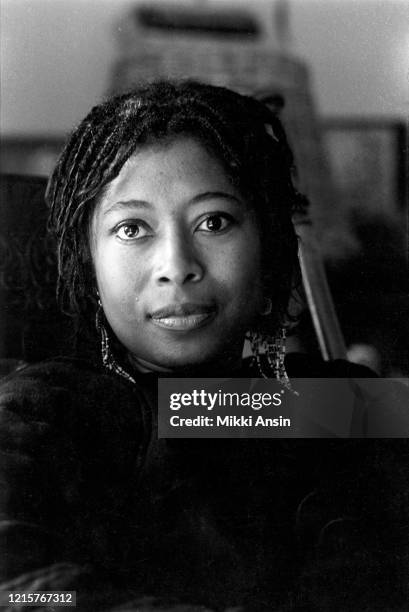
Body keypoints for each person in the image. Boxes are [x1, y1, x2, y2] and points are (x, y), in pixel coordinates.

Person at [0, 81, 408, 611]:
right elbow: (22, 592)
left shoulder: (336, 403)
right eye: (132, 228)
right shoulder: (42, 413)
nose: (177, 265)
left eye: (214, 221)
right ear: (88, 266)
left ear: (269, 248)